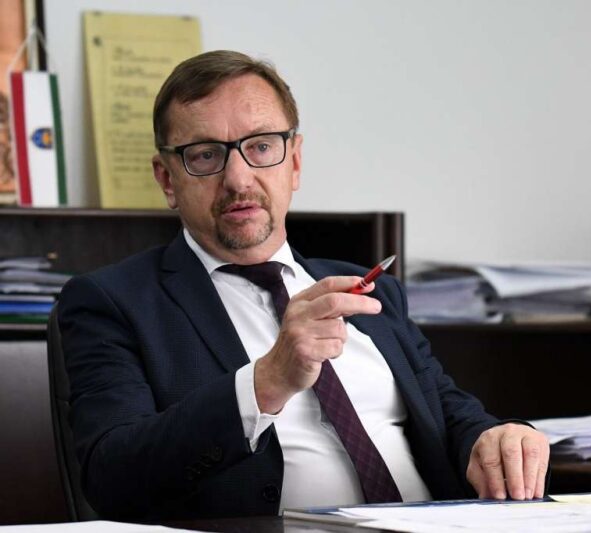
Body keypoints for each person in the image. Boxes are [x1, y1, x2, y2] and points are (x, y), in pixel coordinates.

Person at [57, 50, 550, 521]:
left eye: (261, 147)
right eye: (205, 155)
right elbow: (111, 476)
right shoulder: (113, 303)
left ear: (294, 162)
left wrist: (494, 437)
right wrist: (266, 382)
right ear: (167, 179)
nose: (238, 179)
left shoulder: (370, 289)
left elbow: (448, 413)